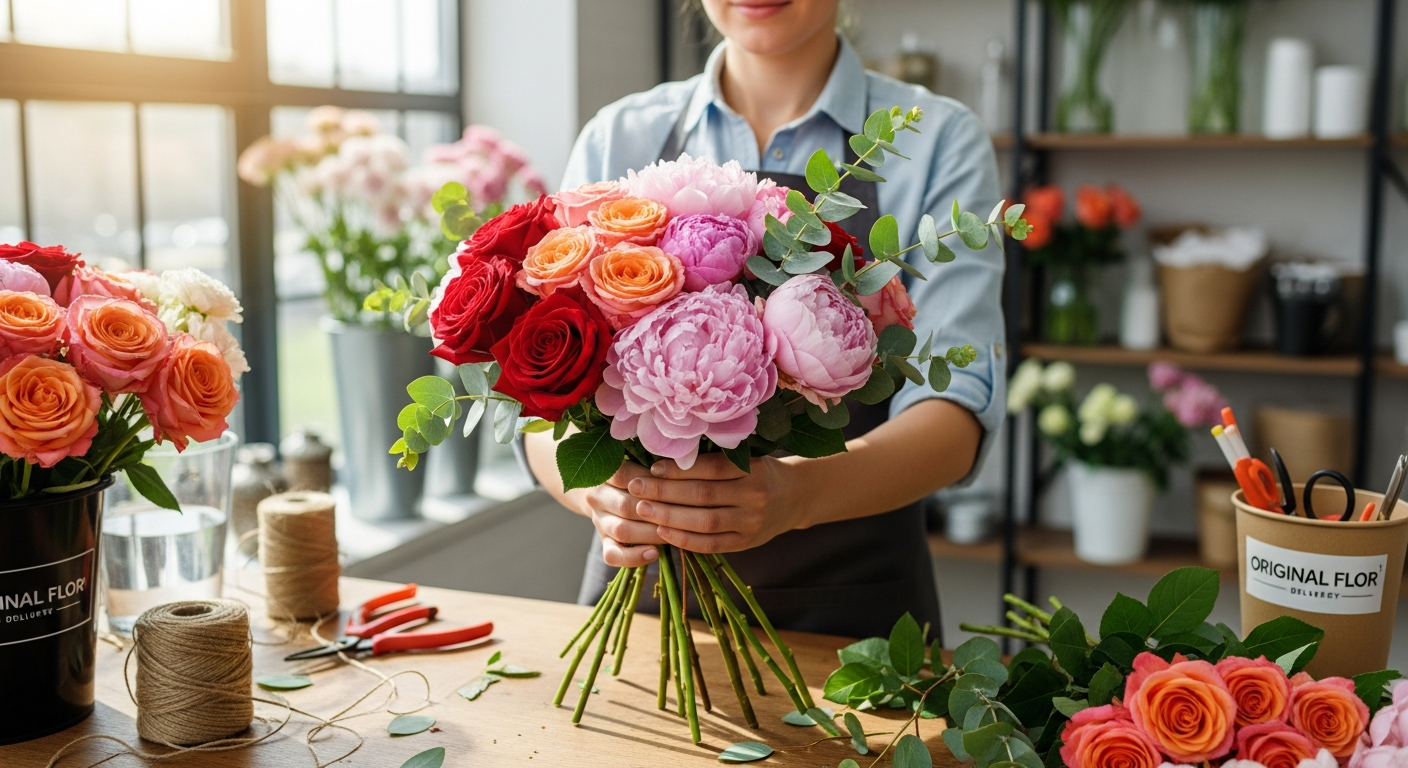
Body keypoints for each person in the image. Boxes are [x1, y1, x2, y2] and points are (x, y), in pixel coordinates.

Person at [523, 0, 1005, 640]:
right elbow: (538, 405)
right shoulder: (621, 136)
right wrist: (599, 496)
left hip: (854, 625)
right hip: (643, 614)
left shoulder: (940, 139)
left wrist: (799, 495)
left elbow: (954, 415)